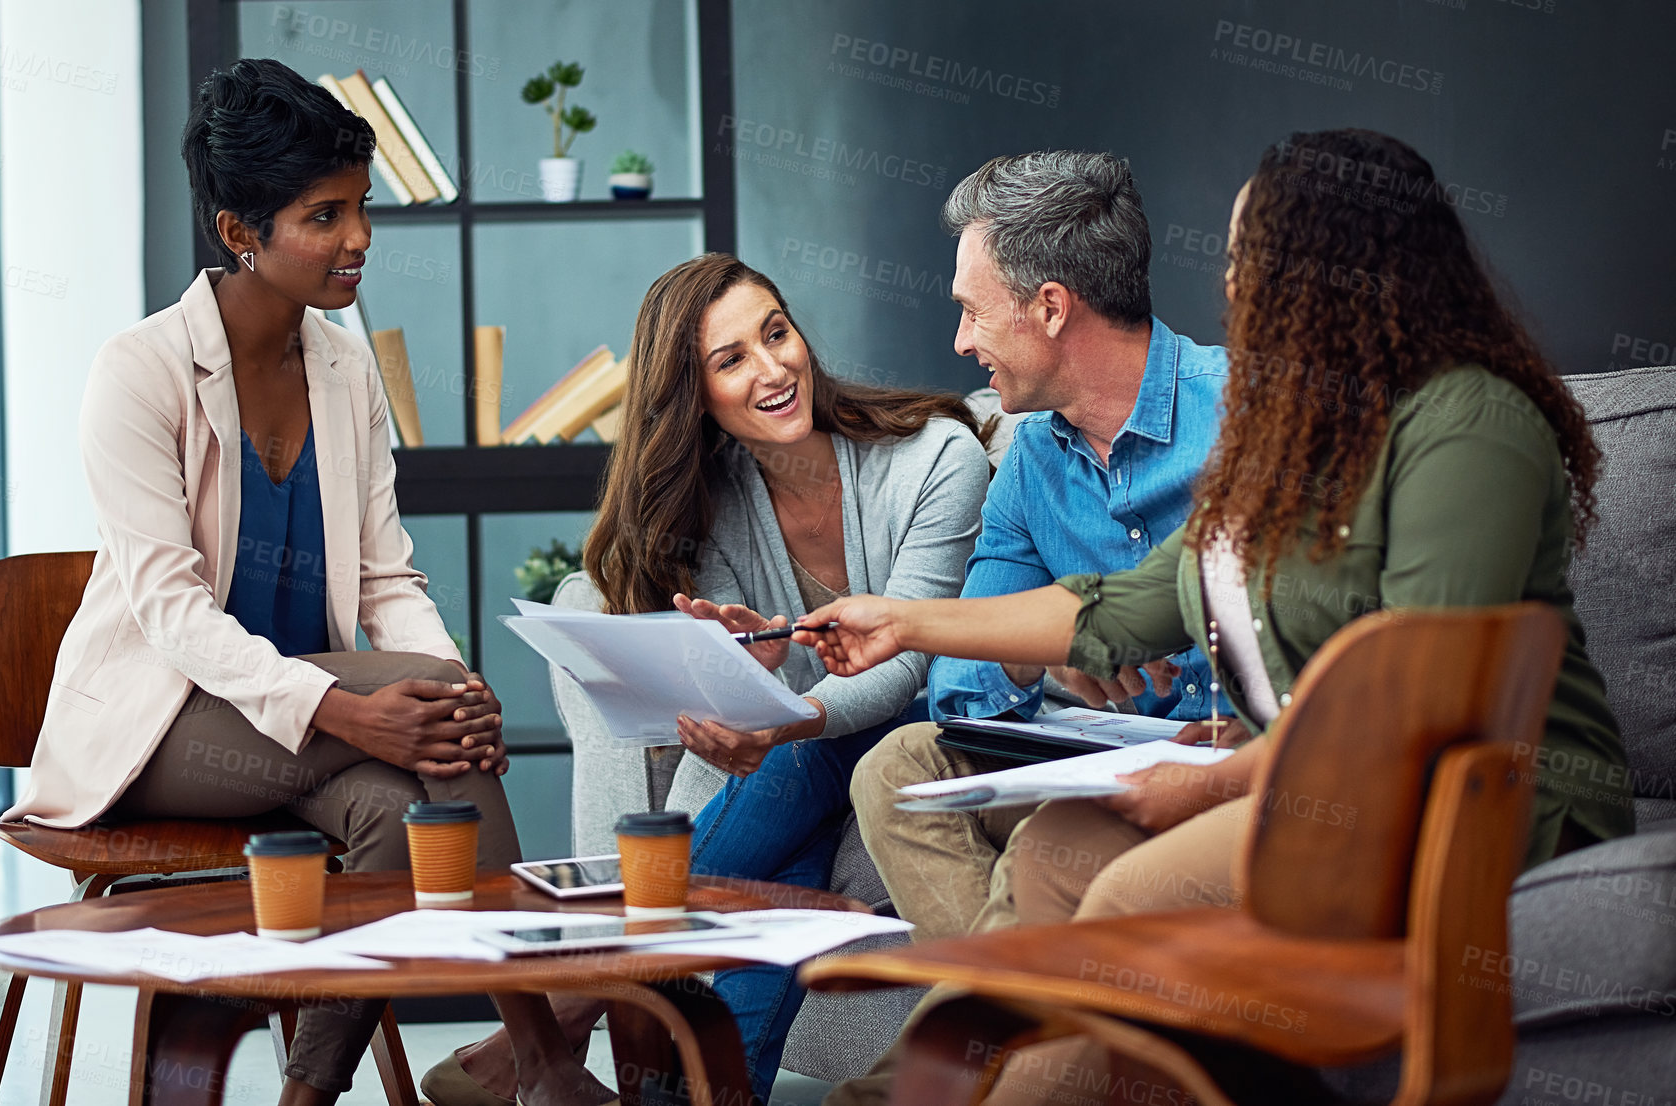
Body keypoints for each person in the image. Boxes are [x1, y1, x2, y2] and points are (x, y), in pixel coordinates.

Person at [799, 128, 1636, 1103]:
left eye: (1249, 258)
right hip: (1318, 782)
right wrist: (904, 623)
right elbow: (1127, 604)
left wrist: (1214, 782)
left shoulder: (1468, 420)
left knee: (1121, 900)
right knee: (1063, 845)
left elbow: (1421, 693)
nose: (1233, 286)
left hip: (1476, 806)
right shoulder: (1297, 436)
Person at [2, 59, 523, 1106]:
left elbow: (386, 570)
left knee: (394, 806)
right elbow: (171, 609)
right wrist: (351, 706)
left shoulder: (344, 366)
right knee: (429, 754)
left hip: (308, 723)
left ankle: (305, 1094)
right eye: (322, 215)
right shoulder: (138, 370)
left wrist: (450, 684)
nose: (359, 237)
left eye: (361, 206)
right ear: (241, 230)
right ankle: (542, 1058)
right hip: (167, 726)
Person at [420, 253, 991, 1106]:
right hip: (807, 754)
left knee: (791, 764)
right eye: (731, 360)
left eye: (776, 333)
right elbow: (764, 706)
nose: (772, 369)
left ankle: (581, 989)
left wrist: (780, 708)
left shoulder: (933, 459)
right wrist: (739, 672)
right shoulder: (718, 500)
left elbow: (907, 660)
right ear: (696, 397)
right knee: (779, 871)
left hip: (923, 730)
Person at [851, 150, 1232, 949]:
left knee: (1058, 835)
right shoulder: (1030, 460)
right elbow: (959, 685)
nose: (959, 342)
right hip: (1098, 753)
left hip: (1233, 768)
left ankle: (987, 1043)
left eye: (972, 311)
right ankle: (1025, 1013)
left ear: (1051, 307)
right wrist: (1038, 657)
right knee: (895, 768)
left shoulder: (1245, 418)